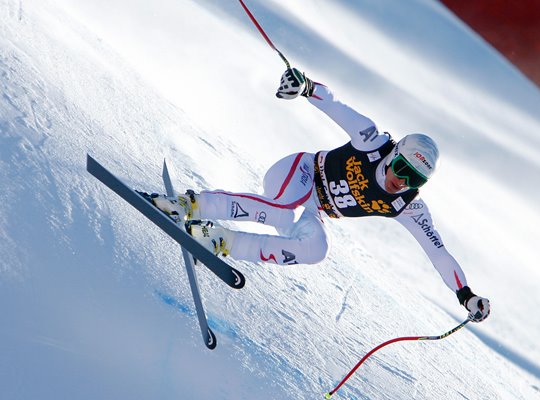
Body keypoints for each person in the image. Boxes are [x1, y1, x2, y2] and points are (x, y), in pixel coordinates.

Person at [147, 68, 491, 322]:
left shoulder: (406, 206)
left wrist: (465, 295)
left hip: (315, 209)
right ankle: (188, 204)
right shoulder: (371, 141)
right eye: (401, 169)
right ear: (394, 152)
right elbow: (336, 104)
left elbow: (438, 253)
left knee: (316, 249)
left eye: (413, 180)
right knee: (283, 211)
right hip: (301, 173)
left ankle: (217, 240)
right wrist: (305, 86)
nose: (401, 182)